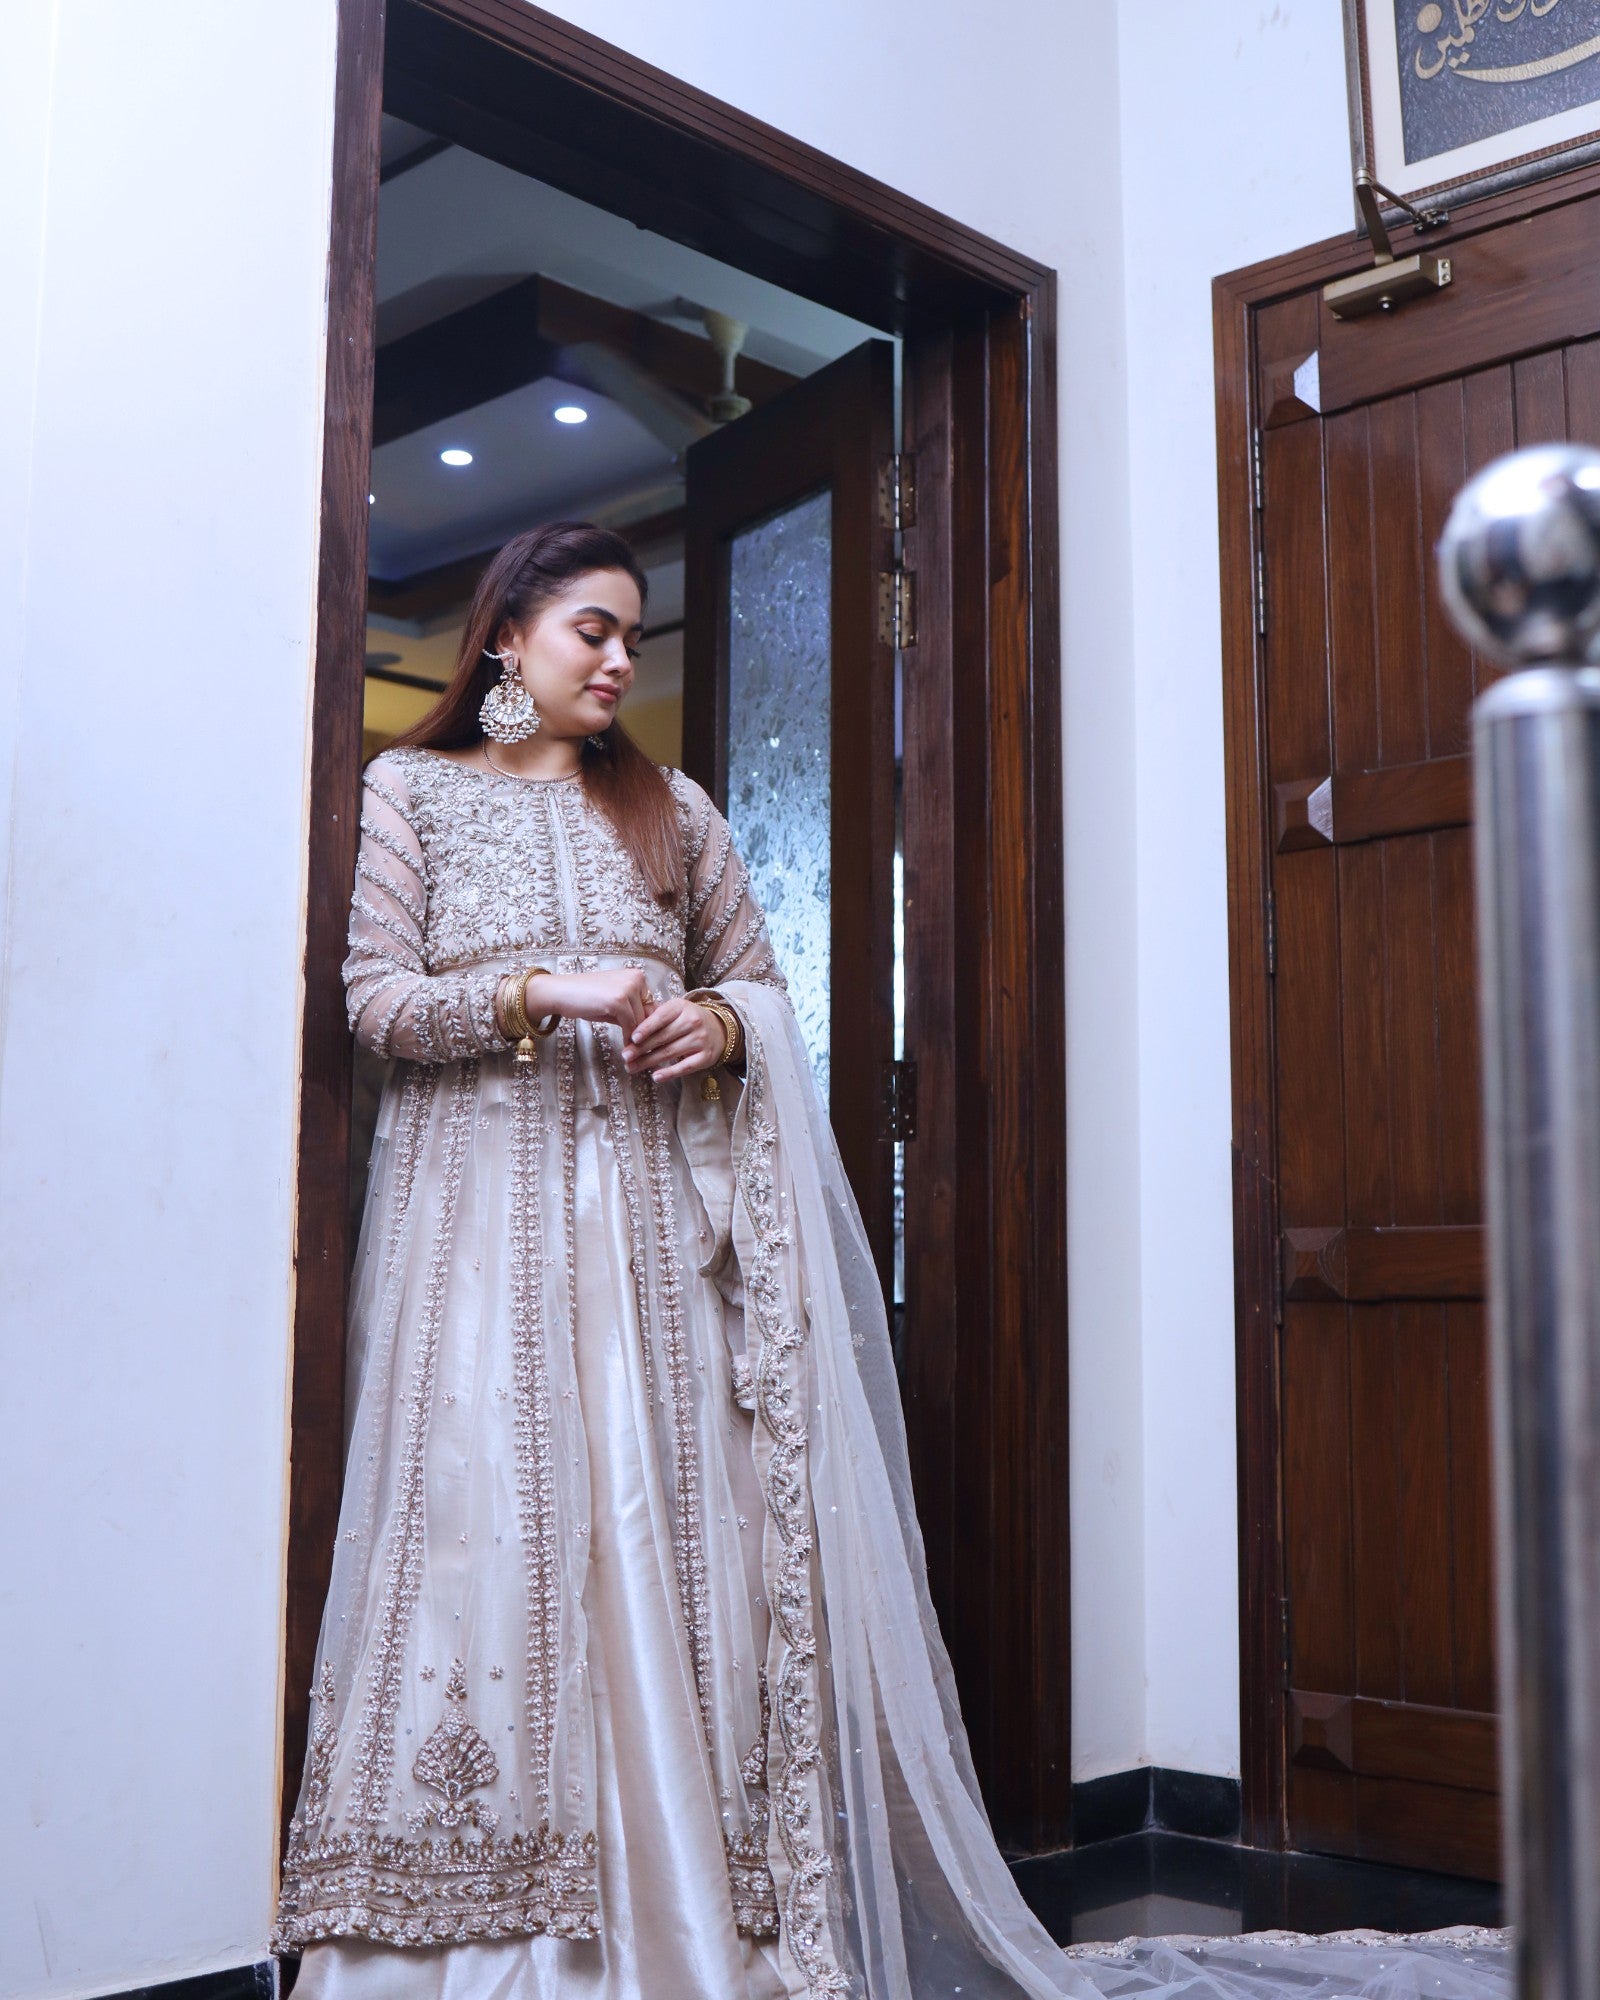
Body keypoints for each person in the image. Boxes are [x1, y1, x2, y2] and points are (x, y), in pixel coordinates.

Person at [273, 520, 1512, 2000]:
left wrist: (713, 1027)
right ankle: (476, 1942)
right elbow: (377, 1004)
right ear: (505, 637)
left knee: (658, 1541)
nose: (617, 659)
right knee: (491, 1531)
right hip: (477, 1244)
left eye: (630, 634)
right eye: (590, 630)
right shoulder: (410, 791)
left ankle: (690, 1925)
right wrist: (551, 989)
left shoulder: (674, 811)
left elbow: (760, 991)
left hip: (665, 1252)